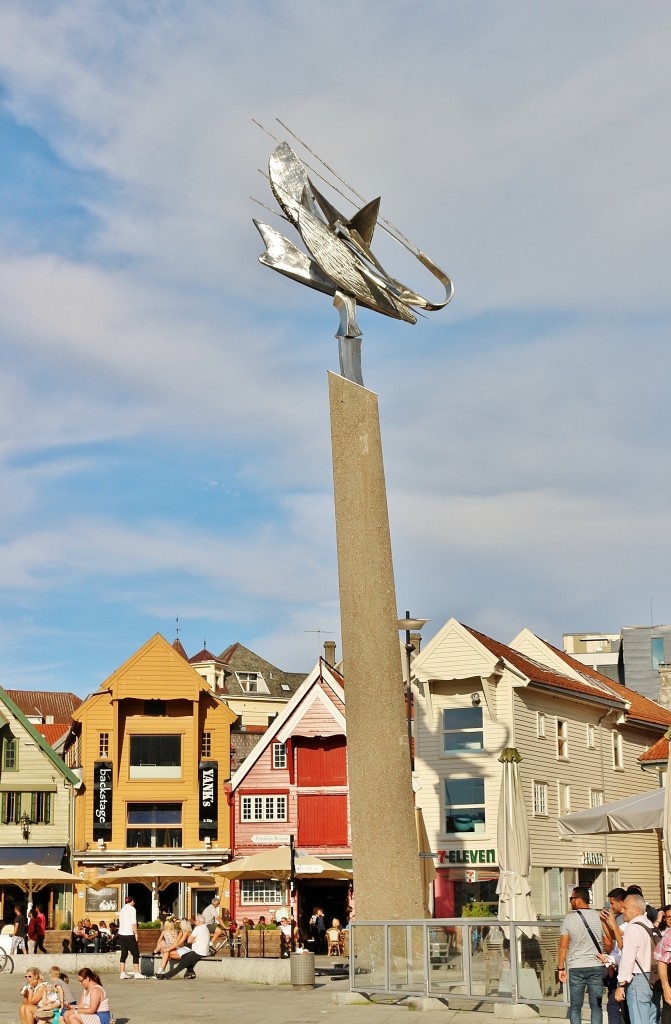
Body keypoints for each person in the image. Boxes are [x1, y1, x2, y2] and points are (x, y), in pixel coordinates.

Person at [558, 886, 611, 1024]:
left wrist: (561, 968)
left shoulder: (568, 919)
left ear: (579, 899)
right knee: (596, 1007)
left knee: (575, 1007)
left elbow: (563, 946)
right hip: (596, 965)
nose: (570, 902)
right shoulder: (599, 917)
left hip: (576, 967)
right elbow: (608, 943)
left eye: (571, 899)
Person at [615, 893, 661, 1024]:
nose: (622, 911)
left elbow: (628, 958)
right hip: (654, 977)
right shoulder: (651, 926)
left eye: (625, 908)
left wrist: (621, 984)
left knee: (639, 1020)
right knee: (652, 1020)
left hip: (638, 980)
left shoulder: (633, 927)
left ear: (636, 909)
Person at [156, 913, 210, 980]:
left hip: (198, 952)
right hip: (203, 951)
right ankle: (191, 972)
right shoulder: (205, 928)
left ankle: (165, 976)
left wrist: (192, 940)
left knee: (181, 965)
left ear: (199, 921)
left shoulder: (198, 928)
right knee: (184, 956)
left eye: (195, 920)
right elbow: (190, 940)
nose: (195, 921)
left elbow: (189, 940)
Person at [117, 896, 144, 980]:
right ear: (131, 901)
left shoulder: (122, 909)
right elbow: (133, 923)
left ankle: (122, 972)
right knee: (135, 953)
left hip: (121, 934)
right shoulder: (132, 909)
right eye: (134, 901)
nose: (134, 903)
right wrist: (136, 933)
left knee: (124, 953)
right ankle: (137, 973)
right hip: (129, 934)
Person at [654, 907, 671, 1024]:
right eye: (668, 917)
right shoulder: (668, 935)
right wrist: (666, 988)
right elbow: (661, 960)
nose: (670, 920)